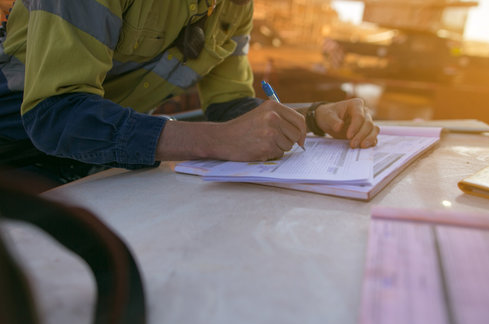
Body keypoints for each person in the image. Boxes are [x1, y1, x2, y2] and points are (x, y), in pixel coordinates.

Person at [0, 0, 379, 185]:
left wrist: (315, 115)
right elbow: (54, 114)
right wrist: (217, 141)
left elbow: (230, 106)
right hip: (12, 147)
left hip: (88, 160)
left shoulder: (235, 7)